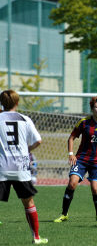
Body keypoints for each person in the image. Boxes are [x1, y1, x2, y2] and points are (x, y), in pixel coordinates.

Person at [54, 96, 97, 223]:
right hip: (81, 159)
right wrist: (71, 154)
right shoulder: (84, 122)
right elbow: (71, 137)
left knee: (95, 188)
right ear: (92, 109)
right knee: (72, 183)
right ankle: (64, 214)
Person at [0, 90, 48, 244]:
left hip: (2, 166)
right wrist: (28, 149)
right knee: (28, 203)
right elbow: (38, 140)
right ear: (17, 103)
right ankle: (36, 237)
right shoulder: (25, 119)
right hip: (20, 167)